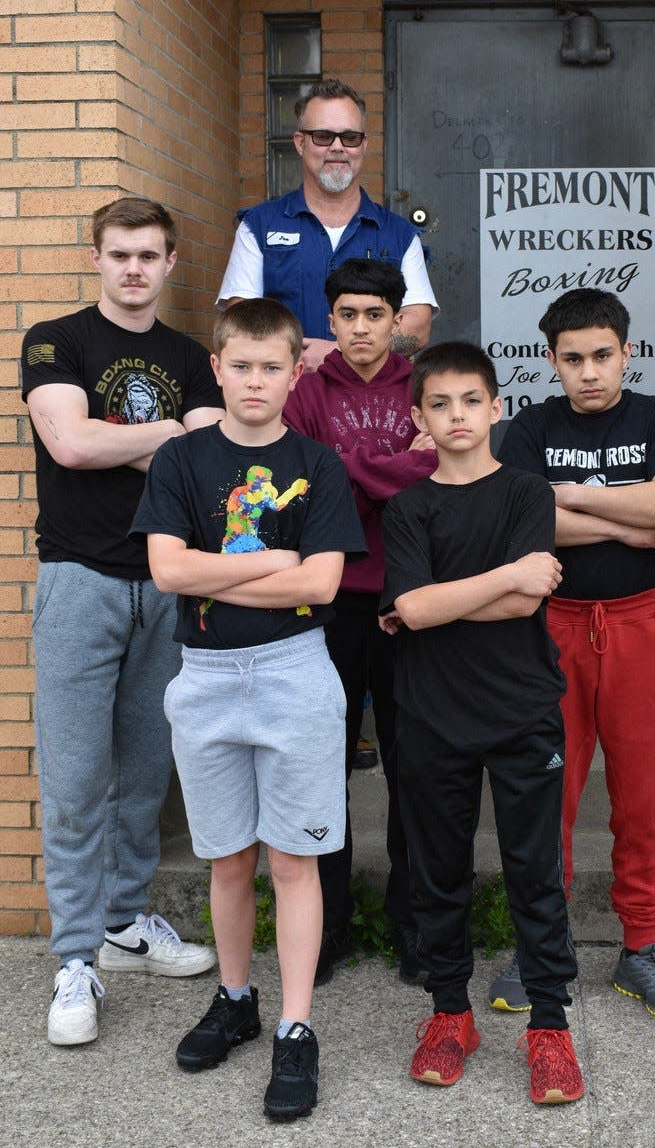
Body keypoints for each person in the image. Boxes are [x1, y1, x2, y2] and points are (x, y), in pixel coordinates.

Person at [131, 298, 366, 1120]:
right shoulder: (182, 460)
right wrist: (271, 558)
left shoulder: (319, 462)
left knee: (293, 861)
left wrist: (215, 567)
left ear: (293, 373)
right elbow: (166, 572)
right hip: (204, 673)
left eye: (273, 367)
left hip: (295, 672)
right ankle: (236, 998)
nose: (256, 380)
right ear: (218, 370)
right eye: (242, 366)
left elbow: (322, 583)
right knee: (228, 857)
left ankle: (296, 1027)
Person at [21, 197, 223, 1047]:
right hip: (79, 578)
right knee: (74, 783)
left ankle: (126, 922)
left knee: (145, 770)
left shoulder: (189, 356)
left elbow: (210, 457)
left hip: (164, 580)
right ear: (97, 257)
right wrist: (167, 433)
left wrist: (135, 436)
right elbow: (67, 444)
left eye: (148, 255)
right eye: (119, 254)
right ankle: (75, 959)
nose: (134, 268)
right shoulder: (55, 340)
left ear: (171, 262)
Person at [379, 342, 584, 1105]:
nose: (458, 415)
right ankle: (449, 1013)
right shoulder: (409, 507)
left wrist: (438, 602)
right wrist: (503, 576)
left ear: (497, 407)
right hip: (431, 715)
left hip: (522, 709)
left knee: (536, 872)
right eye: (441, 404)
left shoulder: (527, 492)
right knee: (439, 872)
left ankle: (550, 1028)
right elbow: (415, 607)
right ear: (419, 418)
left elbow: (524, 605)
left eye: (471, 400)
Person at [497, 289, 655, 1021]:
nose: (589, 372)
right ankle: (539, 946)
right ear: (551, 360)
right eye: (573, 358)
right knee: (545, 796)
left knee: (642, 799)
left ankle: (640, 945)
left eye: (602, 355)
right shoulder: (529, 425)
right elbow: (522, 519)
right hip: (549, 627)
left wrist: (571, 497)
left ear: (629, 352)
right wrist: (621, 519)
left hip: (641, 626)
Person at [282, 258, 437, 985]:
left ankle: (416, 925)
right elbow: (304, 481)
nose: (361, 328)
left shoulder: (423, 388)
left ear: (398, 319)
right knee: (325, 766)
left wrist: (352, 467)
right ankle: (330, 922)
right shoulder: (308, 391)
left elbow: (436, 471)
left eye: (375, 314)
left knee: (413, 766)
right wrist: (389, 465)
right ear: (331, 319)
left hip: (408, 600)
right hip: (330, 599)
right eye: (347, 315)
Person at [217, 77, 438, 370]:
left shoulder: (399, 234)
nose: (337, 147)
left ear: (363, 145)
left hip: (370, 407)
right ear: (300, 142)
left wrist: (338, 355)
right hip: (287, 406)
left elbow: (417, 328)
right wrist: (297, 357)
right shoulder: (258, 226)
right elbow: (240, 323)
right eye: (322, 136)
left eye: (350, 137)